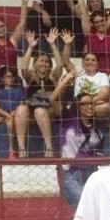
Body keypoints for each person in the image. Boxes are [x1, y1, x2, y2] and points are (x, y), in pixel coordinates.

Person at [20, 28, 65, 157]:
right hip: (33, 109)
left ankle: (49, 148)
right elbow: (23, 68)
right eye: (41, 60)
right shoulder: (31, 77)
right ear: (35, 64)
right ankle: (22, 149)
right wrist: (30, 47)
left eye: (46, 61)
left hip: (50, 109)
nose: (44, 63)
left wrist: (52, 45)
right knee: (20, 109)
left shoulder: (53, 77)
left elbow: (60, 66)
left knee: (39, 111)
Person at [60, 92, 106, 208]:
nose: (89, 106)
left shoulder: (98, 131)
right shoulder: (68, 121)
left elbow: (99, 155)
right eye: (84, 104)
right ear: (77, 106)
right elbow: (53, 102)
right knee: (82, 208)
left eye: (91, 103)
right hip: (70, 171)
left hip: (91, 173)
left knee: (93, 209)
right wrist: (66, 80)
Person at [73, 52, 110, 118]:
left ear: (98, 63)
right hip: (79, 105)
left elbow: (104, 93)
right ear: (82, 62)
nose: (90, 62)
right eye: (87, 60)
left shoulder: (102, 76)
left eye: (93, 60)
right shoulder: (78, 72)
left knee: (106, 107)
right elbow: (66, 63)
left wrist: (89, 103)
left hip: (94, 105)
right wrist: (67, 45)